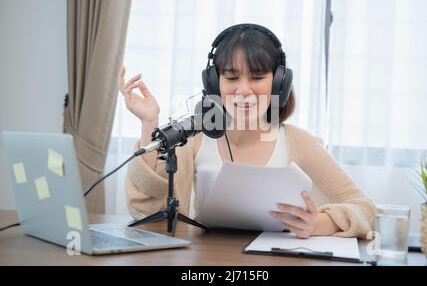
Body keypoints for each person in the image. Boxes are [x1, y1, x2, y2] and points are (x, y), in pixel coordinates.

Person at [120, 24, 376, 239]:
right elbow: (147, 212)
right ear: (213, 83)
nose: (243, 90)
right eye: (231, 78)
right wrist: (149, 123)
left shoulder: (297, 142)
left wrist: (317, 224)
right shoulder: (196, 140)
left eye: (256, 77)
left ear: (279, 83)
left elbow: (366, 210)